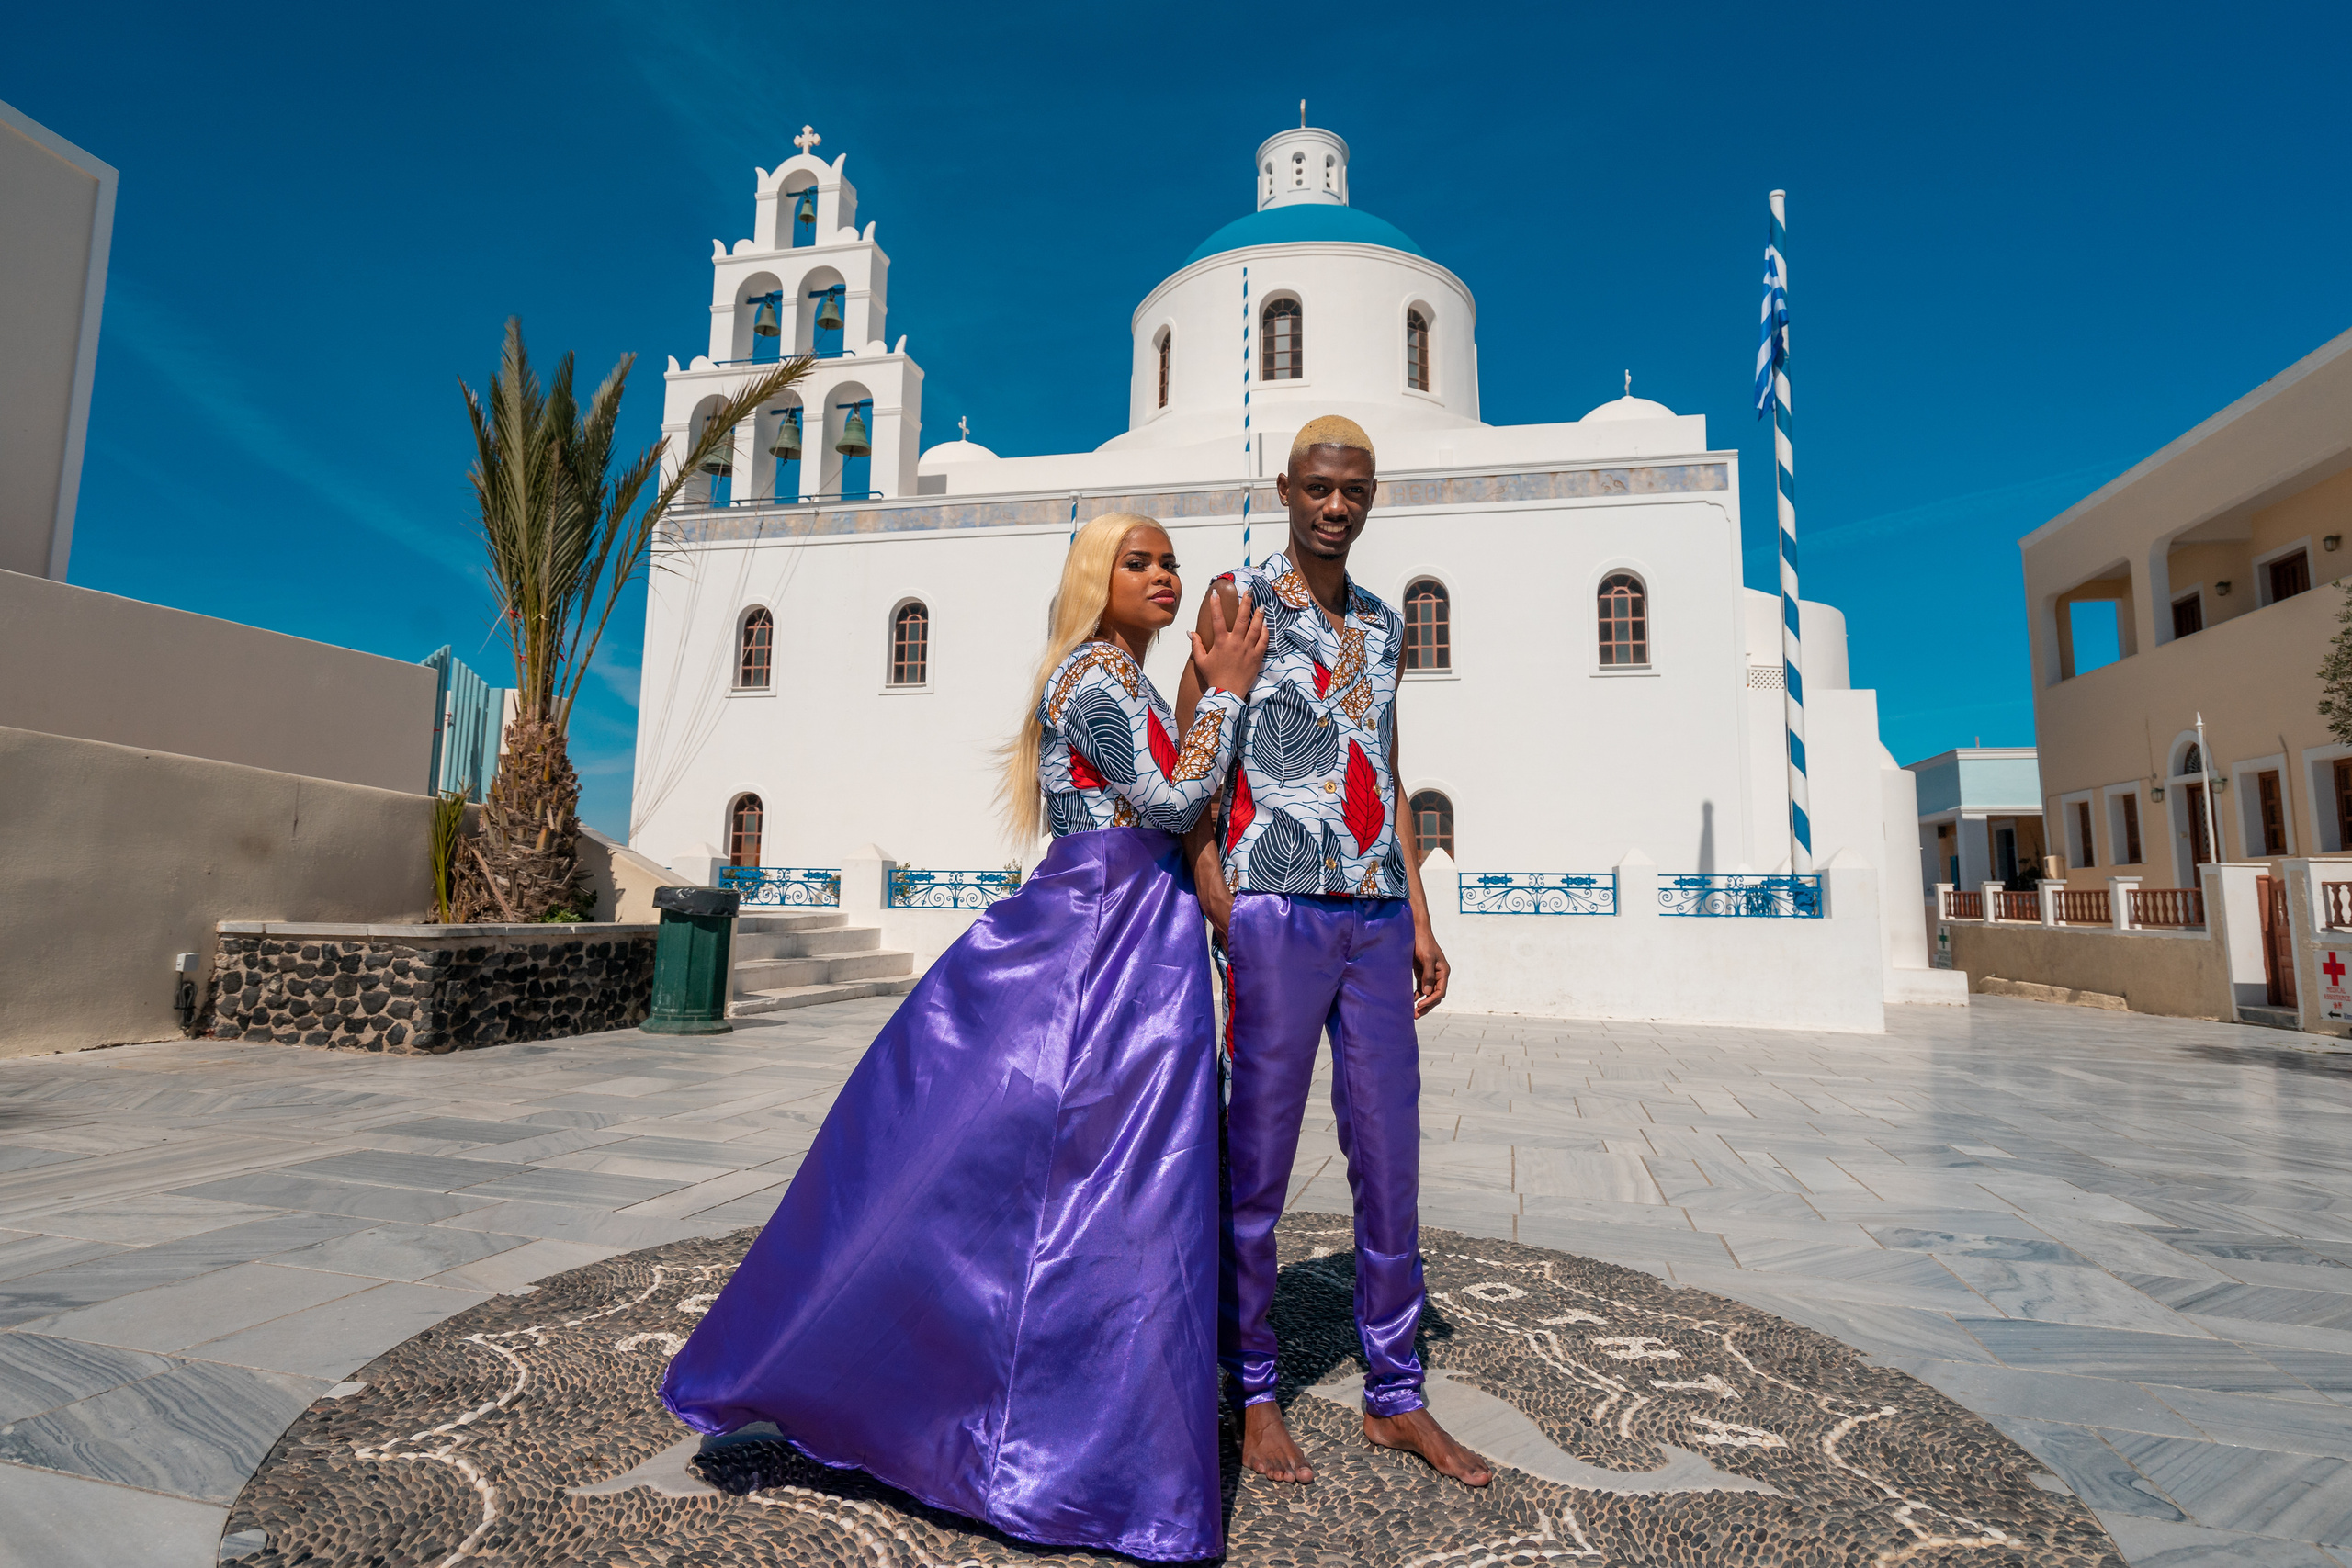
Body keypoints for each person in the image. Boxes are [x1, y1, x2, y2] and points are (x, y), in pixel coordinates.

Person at [662, 513, 1268, 1561]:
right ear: (1095, 580)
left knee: (1130, 1189)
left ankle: (1101, 1442)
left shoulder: (1118, 678)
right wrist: (1222, 693)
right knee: (1056, 1175)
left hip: (1142, 939)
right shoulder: (1089, 678)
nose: (1163, 575)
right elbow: (1168, 802)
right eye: (1140, 562)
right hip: (1097, 945)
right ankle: (1011, 1429)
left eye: (1169, 562)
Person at [1176, 415, 1492, 1489]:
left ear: (1372, 496)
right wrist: (1217, 892)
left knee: (1388, 1160)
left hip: (1369, 913)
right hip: (1273, 911)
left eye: (1353, 490)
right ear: (1286, 488)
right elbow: (1191, 755)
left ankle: (1394, 1397)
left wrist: (1419, 912)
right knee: (1255, 1165)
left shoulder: (1382, 625)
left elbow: (1390, 767)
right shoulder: (1236, 597)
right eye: (1317, 487)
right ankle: (1253, 1388)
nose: (1335, 506)